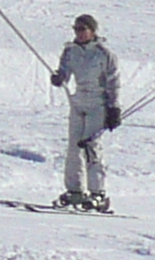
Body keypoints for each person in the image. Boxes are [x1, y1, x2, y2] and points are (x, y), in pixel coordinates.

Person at [54, 14, 122, 211]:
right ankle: (75, 191)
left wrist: (114, 108)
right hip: (78, 102)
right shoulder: (70, 51)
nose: (79, 33)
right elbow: (64, 72)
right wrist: (59, 78)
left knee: (91, 146)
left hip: (97, 103)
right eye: (76, 29)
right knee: (74, 147)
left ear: (93, 30)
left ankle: (98, 192)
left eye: (83, 29)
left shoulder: (104, 53)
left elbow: (113, 81)